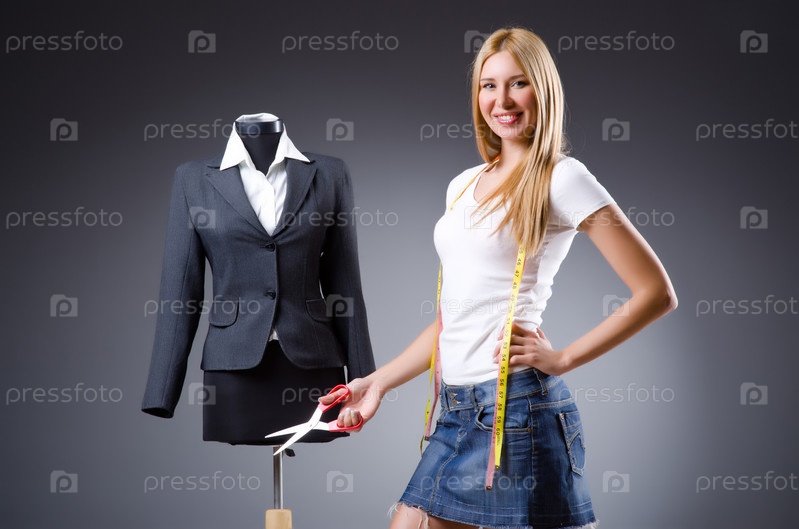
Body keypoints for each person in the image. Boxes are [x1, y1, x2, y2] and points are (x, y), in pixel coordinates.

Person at [321, 27, 677, 529]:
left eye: (518, 83)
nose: (502, 100)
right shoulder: (462, 185)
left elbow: (656, 293)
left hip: (518, 410)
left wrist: (564, 358)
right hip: (456, 411)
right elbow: (453, 320)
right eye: (489, 85)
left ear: (543, 90)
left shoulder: (562, 177)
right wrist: (377, 383)